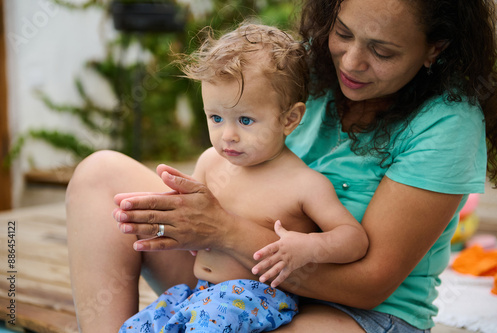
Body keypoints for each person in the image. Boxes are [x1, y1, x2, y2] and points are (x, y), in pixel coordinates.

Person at [66, 0, 497, 332]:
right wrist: (188, 222)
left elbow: (371, 283)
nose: (350, 62)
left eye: (382, 51)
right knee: (99, 175)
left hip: (356, 310)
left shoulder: (448, 123)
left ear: (434, 49)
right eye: (343, 33)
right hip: (232, 281)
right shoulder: (308, 68)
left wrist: (219, 229)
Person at [117, 22, 368, 333]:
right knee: (142, 325)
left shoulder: (304, 184)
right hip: (200, 291)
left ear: (290, 119)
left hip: (256, 298)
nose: (228, 135)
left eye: (245, 120)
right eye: (216, 118)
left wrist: (309, 247)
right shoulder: (210, 162)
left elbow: (353, 239)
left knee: (208, 322)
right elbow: (192, 217)